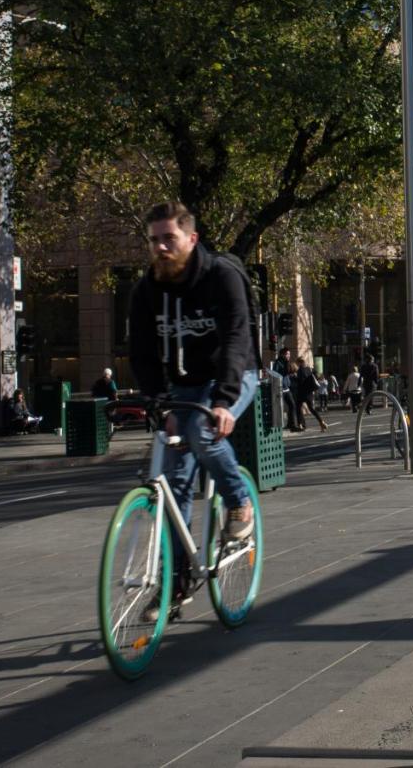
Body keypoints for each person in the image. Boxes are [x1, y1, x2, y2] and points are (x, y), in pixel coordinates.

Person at [129, 201, 260, 610]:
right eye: (154, 240)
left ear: (192, 238)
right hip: (181, 388)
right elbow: (141, 353)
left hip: (232, 377)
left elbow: (238, 338)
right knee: (174, 485)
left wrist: (223, 401)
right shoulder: (146, 289)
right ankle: (175, 583)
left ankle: (239, 501)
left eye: (169, 238)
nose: (161, 248)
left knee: (202, 432)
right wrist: (157, 403)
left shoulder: (221, 275)